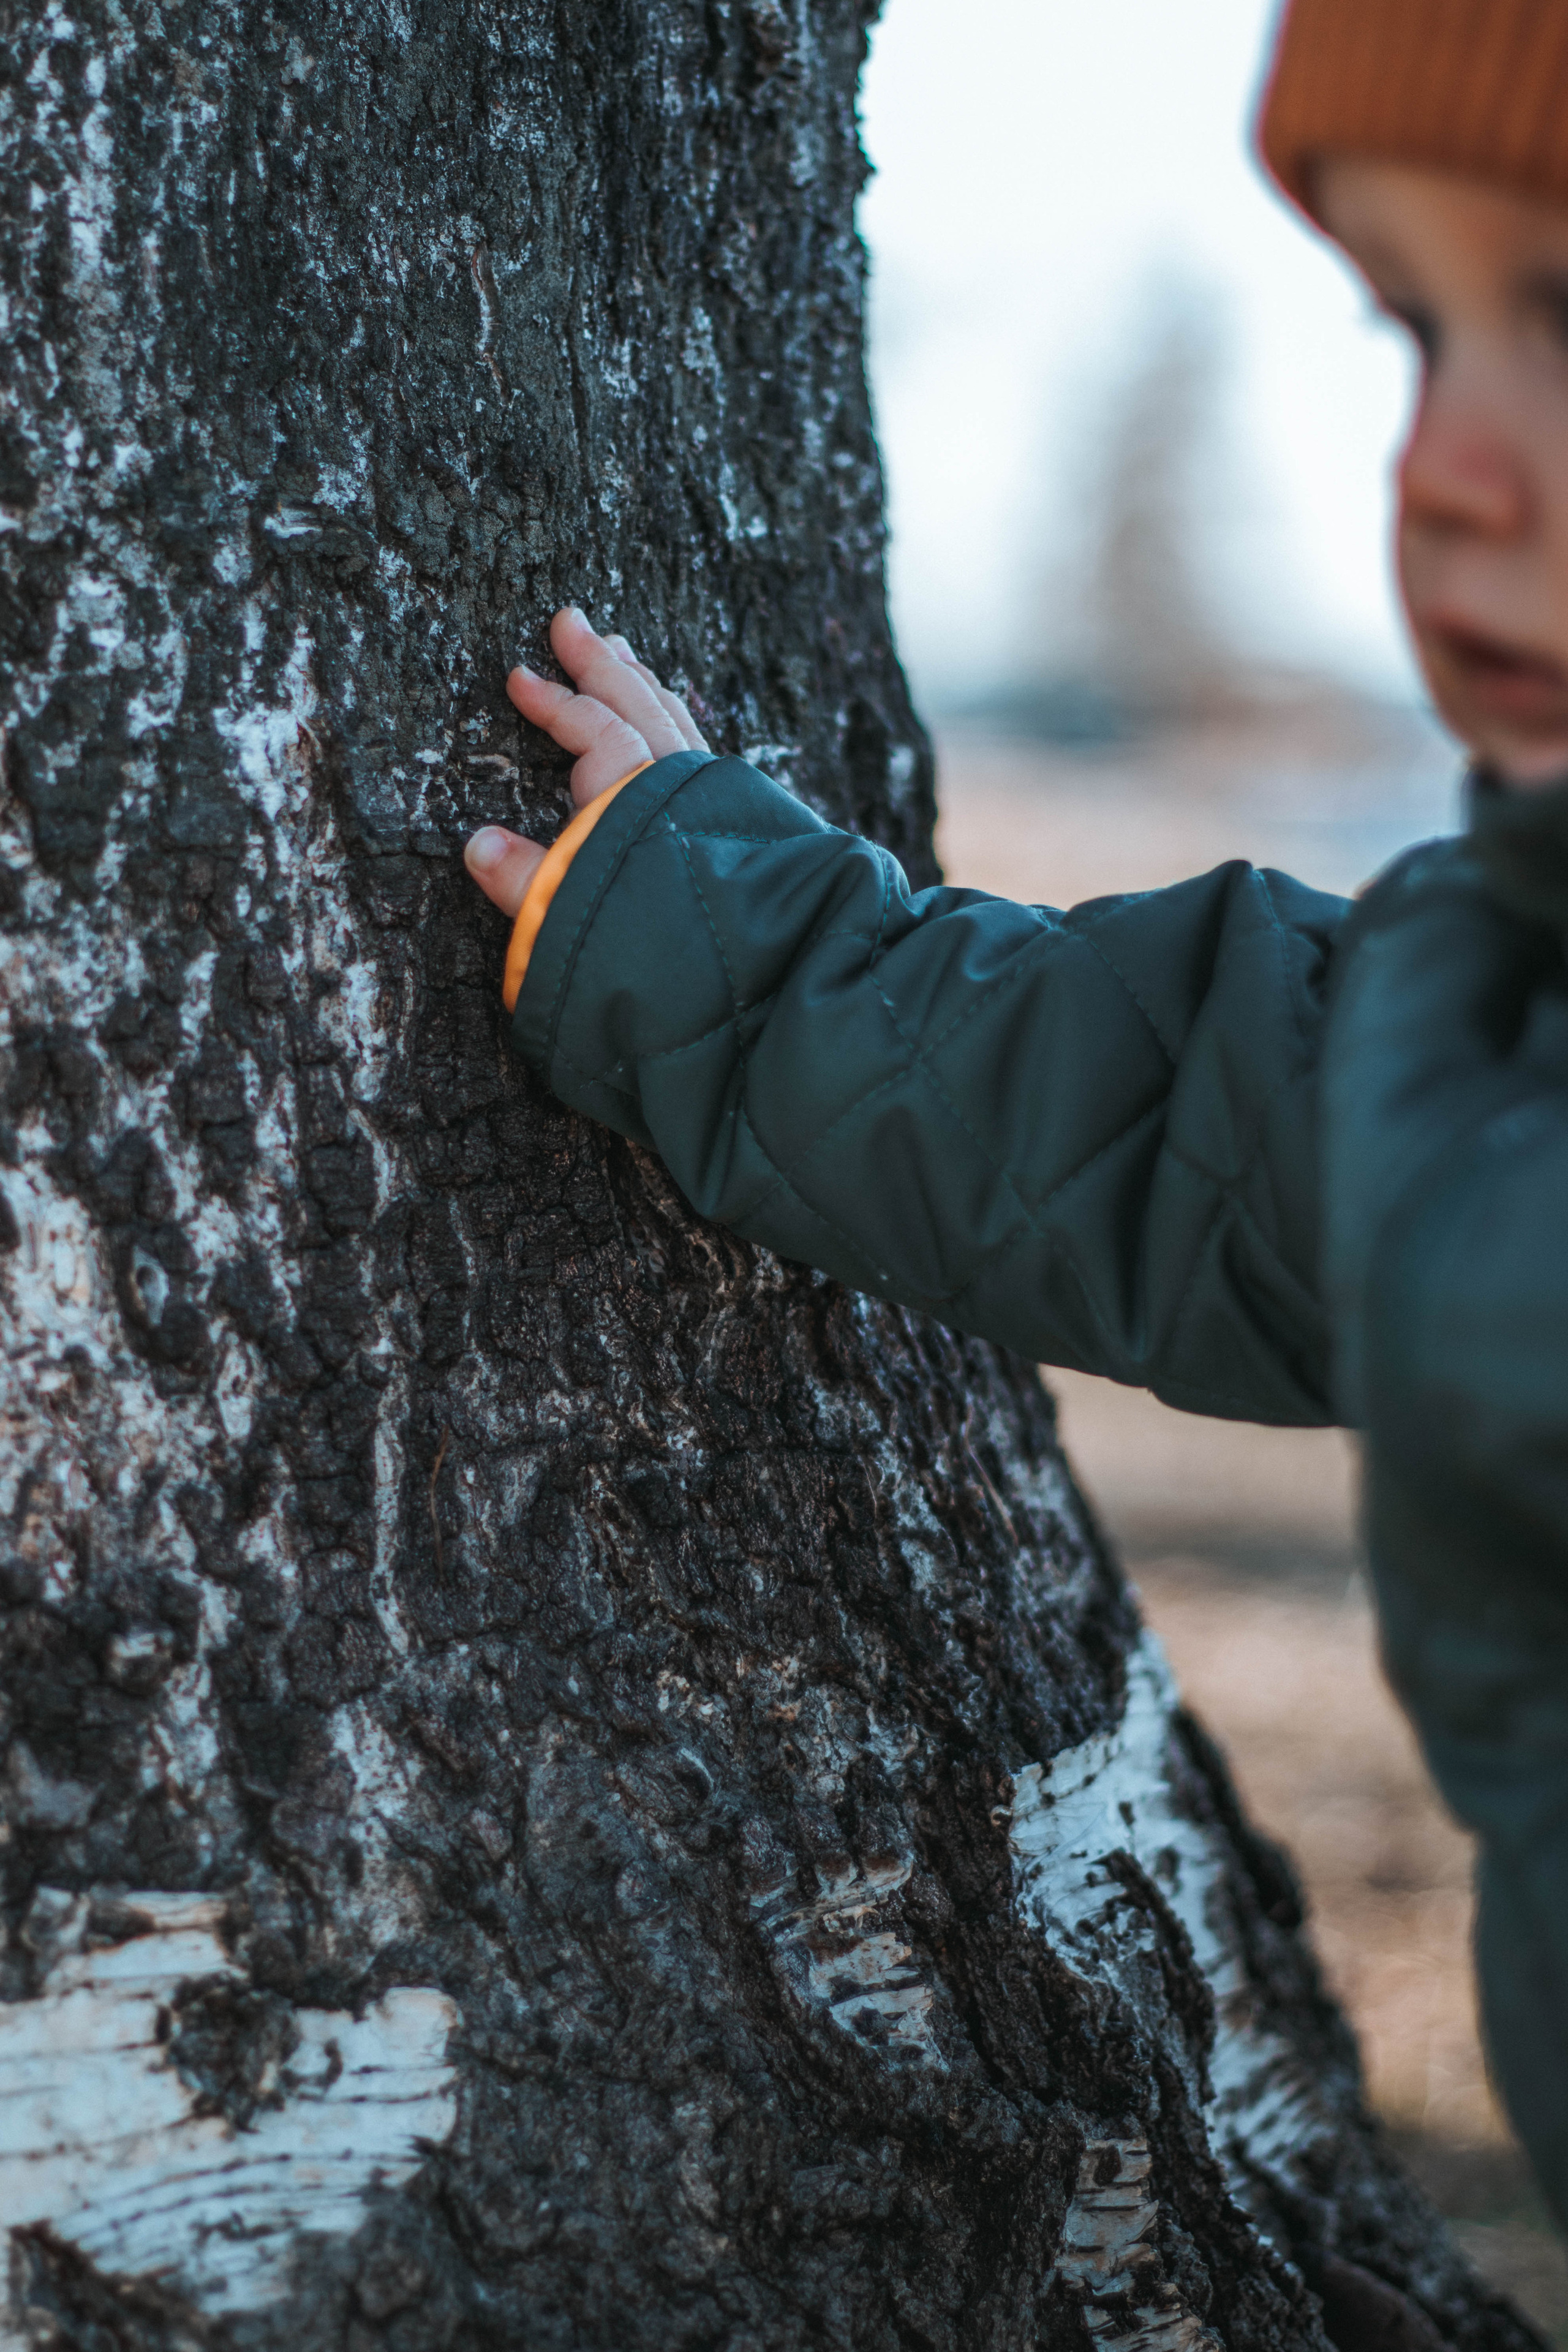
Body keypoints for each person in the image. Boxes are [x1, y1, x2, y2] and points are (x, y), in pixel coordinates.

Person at [463, 0, 1568, 2227]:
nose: (1446, 464)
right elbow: (1195, 1117)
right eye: (1413, 332)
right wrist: (738, 937)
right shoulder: (1516, 1018)